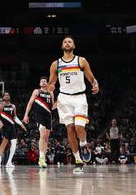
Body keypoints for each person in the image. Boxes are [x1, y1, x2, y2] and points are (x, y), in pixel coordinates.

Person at [48, 36, 99, 174]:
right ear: (62, 46)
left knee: (79, 127)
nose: (67, 43)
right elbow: (51, 83)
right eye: (65, 42)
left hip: (79, 98)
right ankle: (78, 160)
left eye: (70, 41)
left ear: (74, 46)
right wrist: (50, 87)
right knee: (69, 128)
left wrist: (95, 85)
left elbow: (91, 77)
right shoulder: (56, 64)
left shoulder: (81, 60)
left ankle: (83, 144)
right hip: (64, 99)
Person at [22, 77, 55, 169]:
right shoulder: (36, 91)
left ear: (47, 83)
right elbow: (30, 103)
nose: (43, 82)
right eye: (42, 81)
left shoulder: (51, 92)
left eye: (45, 81)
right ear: (40, 83)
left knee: (46, 138)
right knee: (43, 135)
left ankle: (43, 159)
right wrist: (26, 115)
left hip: (48, 115)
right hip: (39, 115)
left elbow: (52, 106)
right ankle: (40, 158)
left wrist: (58, 104)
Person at [0, 92, 25, 169]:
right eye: (5, 95)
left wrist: (21, 124)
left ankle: (9, 162)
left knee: (14, 144)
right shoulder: (0, 106)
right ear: (3, 97)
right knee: (4, 142)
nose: (7, 96)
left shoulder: (13, 106)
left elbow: (15, 117)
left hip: (12, 126)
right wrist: (0, 122)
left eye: (8, 95)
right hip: (5, 126)